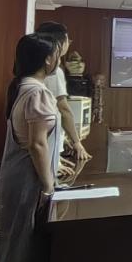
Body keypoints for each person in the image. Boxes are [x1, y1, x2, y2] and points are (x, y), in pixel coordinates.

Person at [0, 33, 62, 262]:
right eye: (57, 54)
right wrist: (48, 187)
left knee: (20, 240)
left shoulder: (22, 86)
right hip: (27, 178)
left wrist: (55, 165)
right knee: (21, 243)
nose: (59, 59)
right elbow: (37, 144)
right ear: (48, 59)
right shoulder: (37, 92)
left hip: (19, 174)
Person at [35, 21, 90, 164]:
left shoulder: (33, 65)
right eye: (67, 40)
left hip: (44, 142)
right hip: (45, 145)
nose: (68, 43)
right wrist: (76, 142)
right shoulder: (53, 71)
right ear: (59, 43)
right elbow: (63, 108)